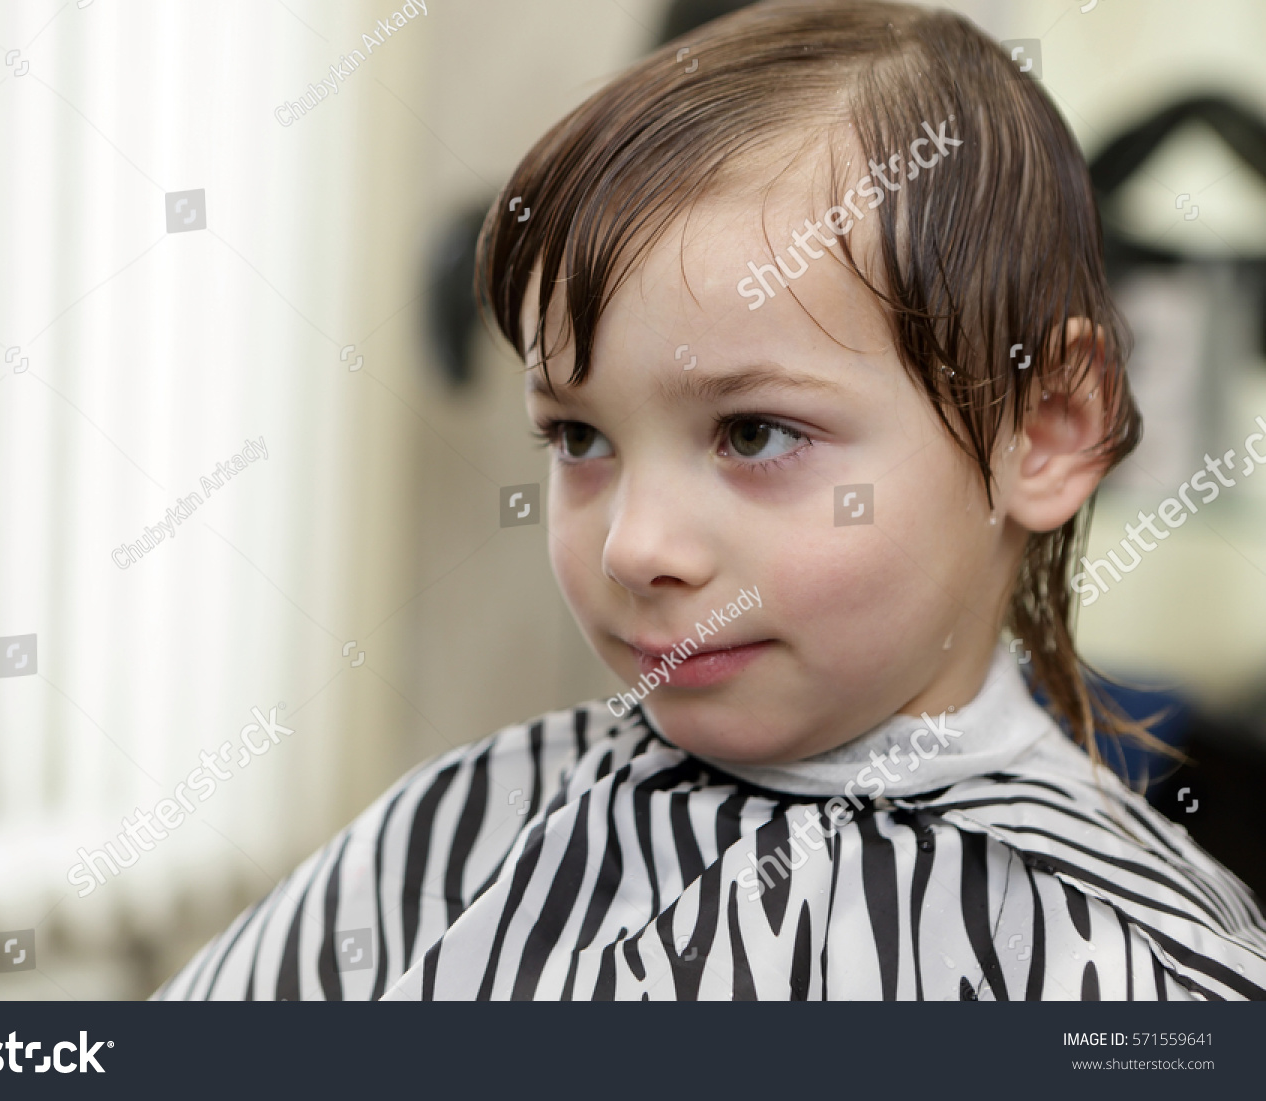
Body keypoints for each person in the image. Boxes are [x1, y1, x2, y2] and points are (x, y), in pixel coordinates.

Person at [156, 0, 1266, 1000]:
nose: (636, 547)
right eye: (578, 437)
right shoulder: (448, 844)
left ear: (1048, 429)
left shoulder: (1137, 966)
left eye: (756, 434)